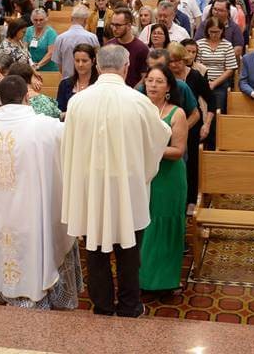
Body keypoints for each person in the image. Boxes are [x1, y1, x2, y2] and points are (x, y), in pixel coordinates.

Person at [61, 45, 172, 317]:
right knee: (129, 251)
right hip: (127, 187)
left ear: (97, 67)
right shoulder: (138, 101)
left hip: (91, 187)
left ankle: (102, 305)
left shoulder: (78, 101)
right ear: (125, 68)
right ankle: (130, 305)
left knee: (96, 250)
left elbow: (68, 146)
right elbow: (161, 136)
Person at [0, 74, 82, 309]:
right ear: (27, 96)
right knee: (35, 248)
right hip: (32, 215)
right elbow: (71, 152)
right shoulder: (46, 127)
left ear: (0, 98)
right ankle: (42, 294)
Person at [138, 65, 188, 293]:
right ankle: (143, 279)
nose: (153, 85)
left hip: (168, 178)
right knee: (143, 226)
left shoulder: (176, 113)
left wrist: (150, 149)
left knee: (164, 226)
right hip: (142, 176)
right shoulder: (137, 110)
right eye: (150, 80)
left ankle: (165, 281)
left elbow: (178, 151)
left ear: (168, 86)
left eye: (159, 81)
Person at [166, 42, 213, 208]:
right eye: (171, 61)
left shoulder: (194, 76)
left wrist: (206, 124)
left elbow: (211, 101)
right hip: (169, 125)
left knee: (191, 163)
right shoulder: (165, 78)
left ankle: (191, 200)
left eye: (178, 61)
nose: (175, 65)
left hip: (192, 125)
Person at [196, 17, 238, 117]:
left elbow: (230, 69)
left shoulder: (227, 45)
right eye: (212, 32)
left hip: (220, 83)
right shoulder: (200, 44)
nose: (214, 35)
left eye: (217, 32)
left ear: (222, 31)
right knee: (202, 110)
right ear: (207, 31)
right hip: (202, 82)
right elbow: (197, 65)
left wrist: (214, 83)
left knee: (218, 111)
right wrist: (205, 82)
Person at [52, 5, 98, 77]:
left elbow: (58, 64)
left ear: (71, 19)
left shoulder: (60, 38)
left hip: (67, 80)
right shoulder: (92, 37)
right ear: (86, 20)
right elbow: (96, 61)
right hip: (88, 81)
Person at [106, 8, 148, 87]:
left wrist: (130, 93)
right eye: (112, 25)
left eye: (118, 25)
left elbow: (144, 77)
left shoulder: (141, 49)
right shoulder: (108, 46)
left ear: (129, 26)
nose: (114, 29)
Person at [56, 44, 99, 114]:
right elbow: (59, 110)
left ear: (93, 61)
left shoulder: (99, 84)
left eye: (84, 61)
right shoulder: (65, 84)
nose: (80, 64)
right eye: (77, 60)